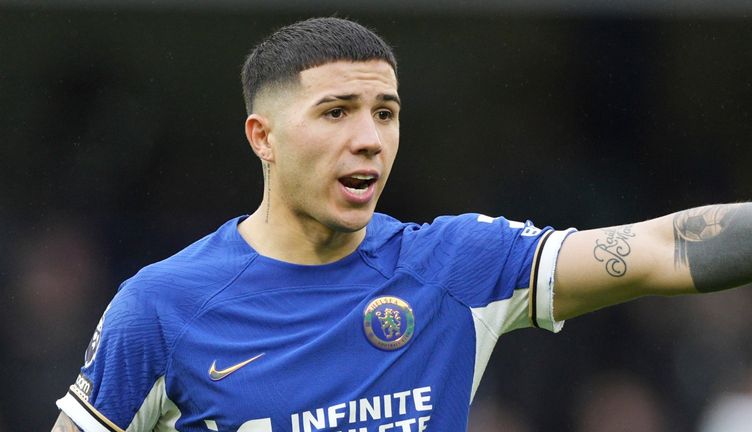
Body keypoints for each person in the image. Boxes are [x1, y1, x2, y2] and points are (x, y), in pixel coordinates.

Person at [52, 17, 752, 432]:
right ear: (262, 137)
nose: (369, 138)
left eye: (384, 112)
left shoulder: (457, 266)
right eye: (336, 112)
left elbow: (661, 247)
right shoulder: (160, 308)